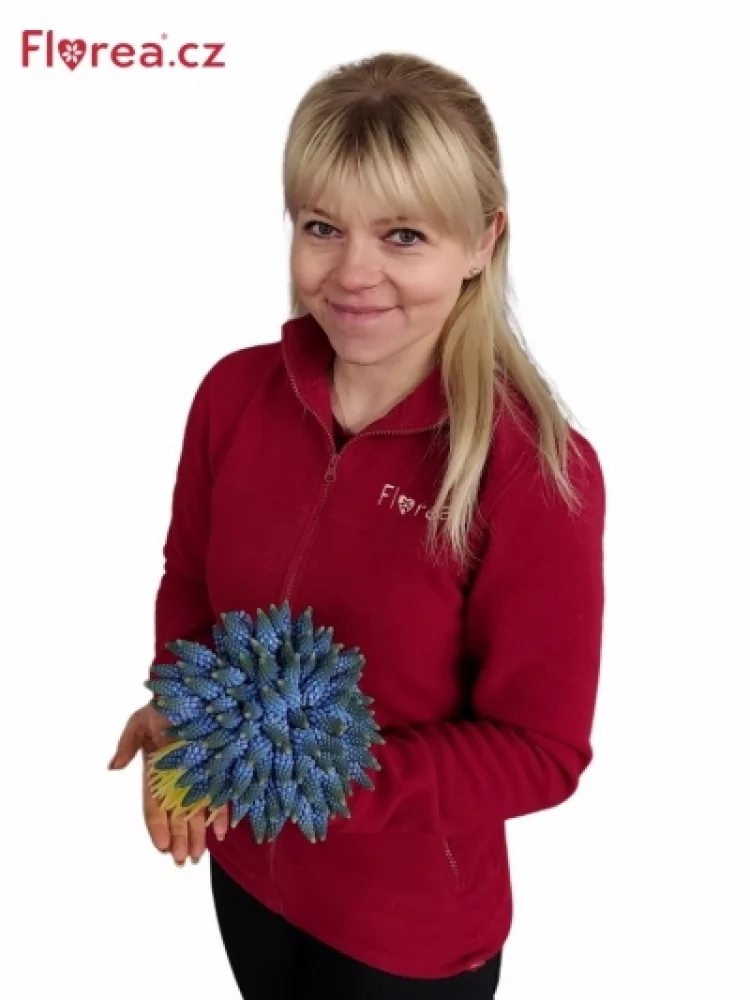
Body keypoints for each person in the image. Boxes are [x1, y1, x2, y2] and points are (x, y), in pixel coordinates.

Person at [109, 51, 606, 999]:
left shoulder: (534, 473)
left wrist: (297, 776)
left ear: (483, 240)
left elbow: (540, 751)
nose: (352, 274)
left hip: (405, 938)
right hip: (245, 874)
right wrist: (186, 716)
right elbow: (191, 581)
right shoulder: (231, 396)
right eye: (322, 227)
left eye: (404, 235)